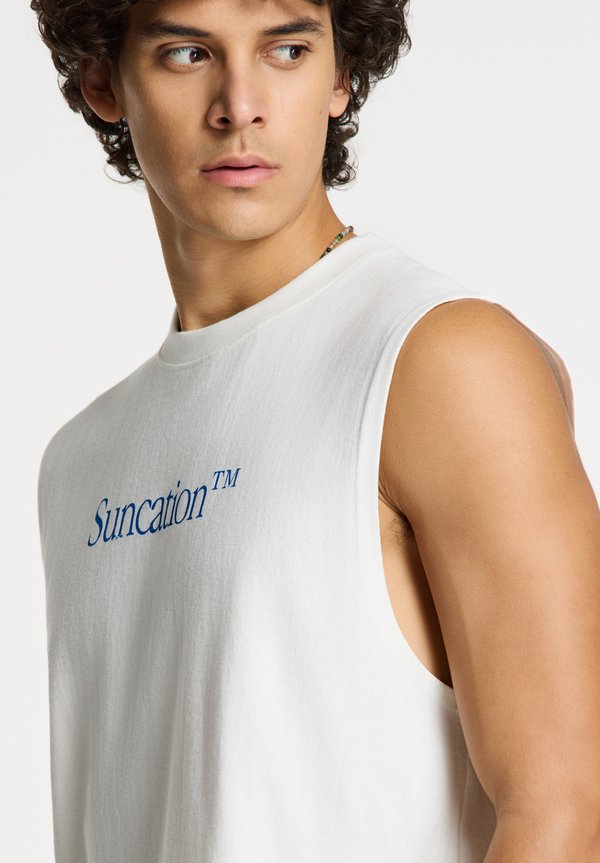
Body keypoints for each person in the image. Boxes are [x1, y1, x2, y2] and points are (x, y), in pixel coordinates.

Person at [32, 1, 600, 861]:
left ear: (340, 74)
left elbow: (568, 809)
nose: (241, 105)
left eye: (287, 49)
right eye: (187, 53)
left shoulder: (438, 361)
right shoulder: (79, 461)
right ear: (103, 80)